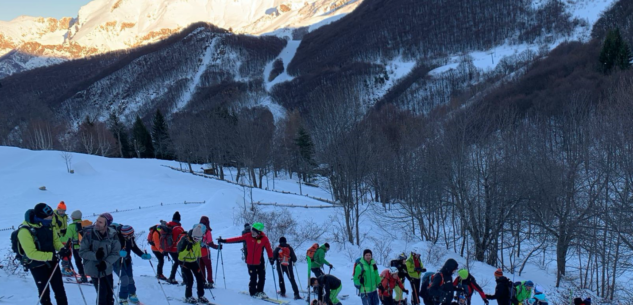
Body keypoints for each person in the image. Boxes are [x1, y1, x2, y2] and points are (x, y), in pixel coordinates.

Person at [17, 203, 70, 305]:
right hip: (37, 265)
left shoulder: (49, 225)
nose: (51, 219)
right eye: (49, 218)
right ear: (40, 217)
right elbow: (31, 253)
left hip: (52, 262)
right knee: (44, 292)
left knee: (60, 289)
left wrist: (62, 249)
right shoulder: (25, 231)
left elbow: (55, 241)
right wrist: (52, 256)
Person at [218, 222, 273, 298]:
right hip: (250, 261)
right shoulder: (248, 236)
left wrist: (271, 258)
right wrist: (224, 240)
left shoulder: (264, 238)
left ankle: (260, 291)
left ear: (259, 232)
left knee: (262, 276)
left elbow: (269, 249)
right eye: (252, 230)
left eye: (254, 231)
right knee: (253, 277)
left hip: (260, 261)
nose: (252, 232)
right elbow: (236, 239)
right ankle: (253, 292)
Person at [80, 213, 121, 305]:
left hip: (107, 268)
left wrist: (106, 263)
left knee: (109, 294)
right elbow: (82, 252)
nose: (97, 223)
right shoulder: (89, 234)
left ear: (107, 225)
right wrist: (95, 256)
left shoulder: (113, 234)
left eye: (100, 222)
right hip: (94, 268)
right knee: (102, 294)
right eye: (97, 221)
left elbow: (116, 252)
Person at [114, 225, 152, 305]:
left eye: (132, 234)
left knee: (130, 278)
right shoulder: (115, 238)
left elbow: (134, 247)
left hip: (127, 260)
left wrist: (142, 255)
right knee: (124, 279)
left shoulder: (130, 238)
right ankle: (122, 298)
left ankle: (132, 294)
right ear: (124, 234)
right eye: (129, 235)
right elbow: (110, 251)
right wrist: (119, 254)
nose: (131, 237)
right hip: (117, 262)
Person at [178, 224, 210, 304]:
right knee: (190, 280)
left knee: (200, 278)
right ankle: (188, 296)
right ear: (192, 236)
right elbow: (180, 257)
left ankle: (201, 296)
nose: (197, 240)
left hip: (194, 261)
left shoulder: (198, 241)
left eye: (199, 239)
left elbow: (198, 249)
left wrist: (199, 256)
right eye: (195, 238)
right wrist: (187, 249)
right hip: (184, 262)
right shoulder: (185, 240)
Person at [62, 210, 88, 282]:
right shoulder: (86, 224)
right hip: (86, 246)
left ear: (73, 217)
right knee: (87, 261)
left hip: (76, 247)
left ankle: (83, 276)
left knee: (78, 261)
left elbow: (68, 238)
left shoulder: (71, 226)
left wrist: (59, 237)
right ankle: (91, 274)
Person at [163, 212, 185, 284]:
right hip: (176, 249)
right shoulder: (179, 228)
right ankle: (183, 279)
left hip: (169, 248)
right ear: (179, 219)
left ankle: (172, 277)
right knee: (181, 262)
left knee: (177, 262)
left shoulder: (168, 226)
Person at [199, 216, 220, 288]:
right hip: (205, 252)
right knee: (208, 267)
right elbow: (210, 243)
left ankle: (202, 281)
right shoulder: (207, 231)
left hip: (197, 251)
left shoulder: (197, 228)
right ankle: (210, 281)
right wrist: (217, 247)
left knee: (201, 266)